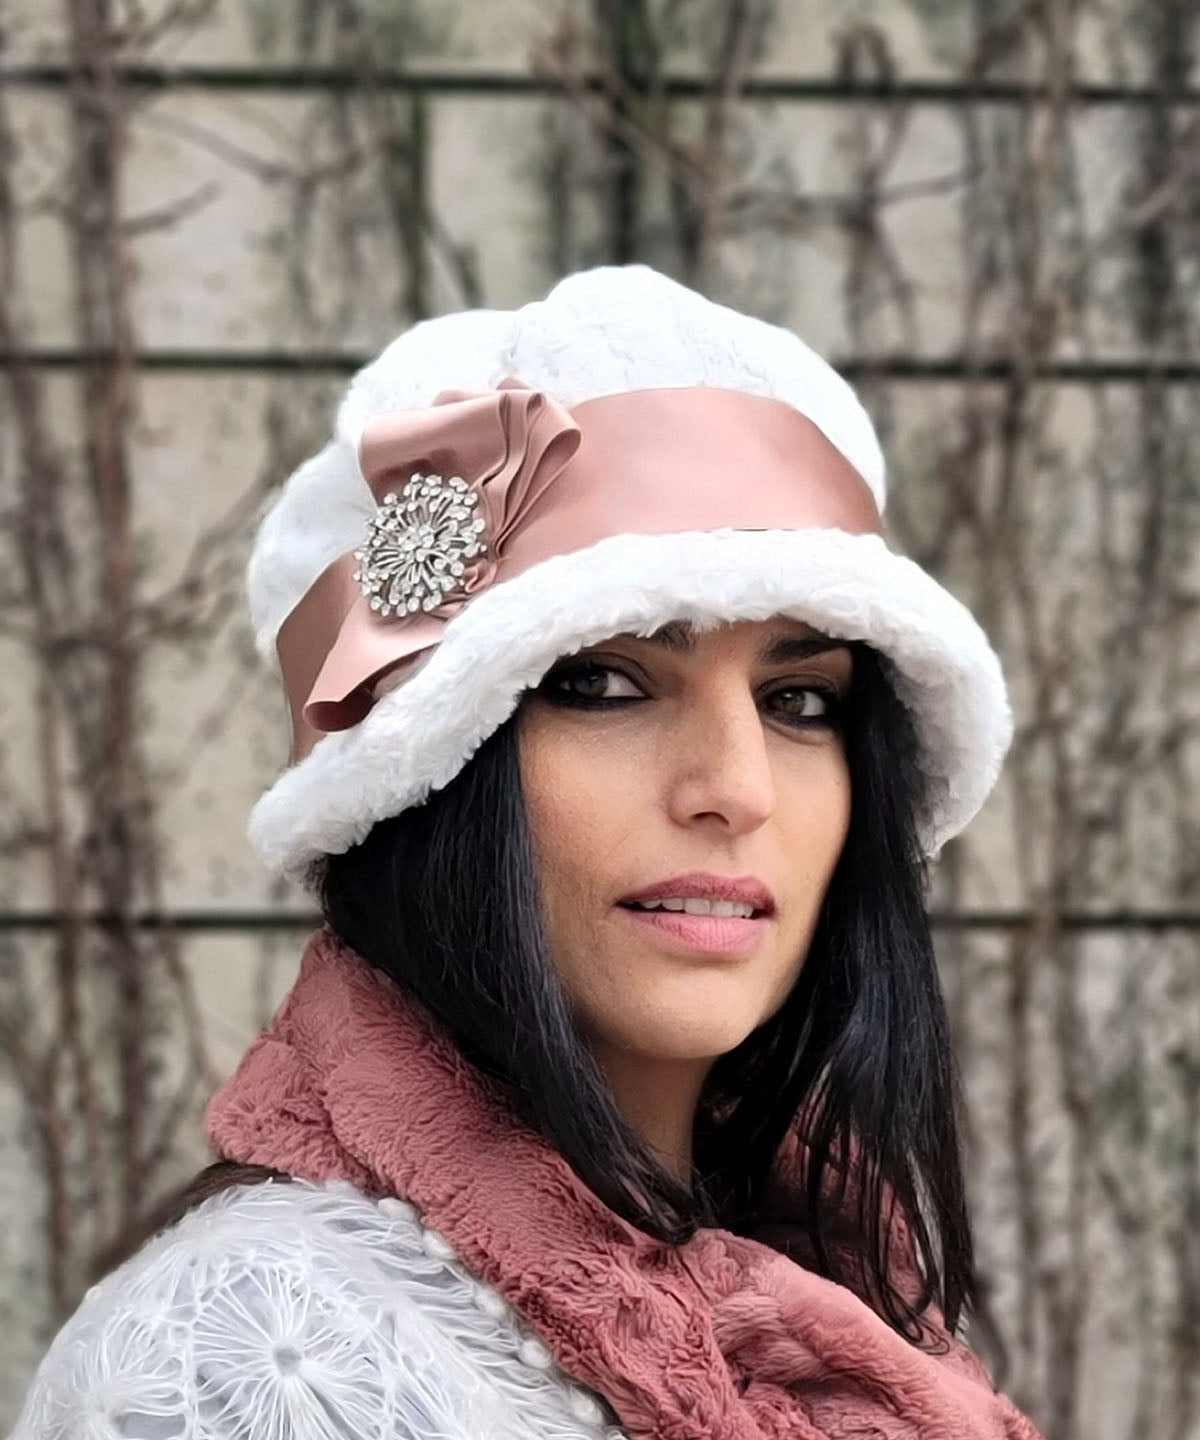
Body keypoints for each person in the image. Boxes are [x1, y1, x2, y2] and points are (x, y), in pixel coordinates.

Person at [10, 266, 1044, 1439]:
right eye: (600, 682)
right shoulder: (261, 1355)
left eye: (800, 700)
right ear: (429, 779)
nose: (737, 790)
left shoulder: (839, 1291)